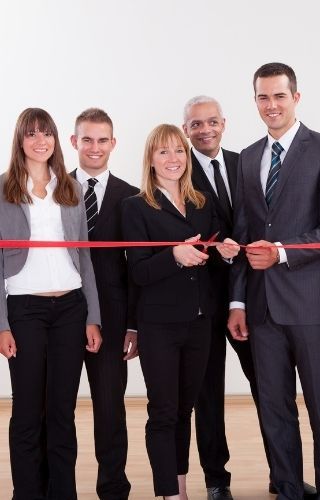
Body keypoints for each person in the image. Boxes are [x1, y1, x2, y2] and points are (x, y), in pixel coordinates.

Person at [227, 62, 320, 500]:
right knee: (274, 409)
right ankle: (287, 490)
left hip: (311, 305)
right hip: (262, 309)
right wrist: (238, 303)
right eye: (263, 97)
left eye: (279, 96)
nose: (271, 105)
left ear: (296, 98)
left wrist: (281, 252)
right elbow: (244, 233)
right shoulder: (247, 158)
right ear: (255, 101)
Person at [121, 124, 239, 500]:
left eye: (178, 151)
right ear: (151, 159)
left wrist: (225, 251)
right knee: (164, 411)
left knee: (185, 409)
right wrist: (173, 255)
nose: (173, 159)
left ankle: (181, 488)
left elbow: (213, 253)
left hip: (200, 323)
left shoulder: (202, 203)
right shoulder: (136, 207)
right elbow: (139, 272)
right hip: (159, 325)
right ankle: (169, 494)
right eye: (163, 152)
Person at [0, 108, 102, 500]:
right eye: (31, 133)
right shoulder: (4, 189)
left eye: (46, 133)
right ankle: (27, 493)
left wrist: (92, 316)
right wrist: (2, 325)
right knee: (28, 411)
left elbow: (84, 257)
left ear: (56, 140)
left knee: (62, 412)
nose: (40, 140)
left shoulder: (71, 188)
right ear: (20, 140)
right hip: (24, 311)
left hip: (71, 310)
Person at [183, 95, 279, 500]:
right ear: (186, 130)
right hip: (202, 299)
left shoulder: (247, 163)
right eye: (196, 124)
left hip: (249, 296)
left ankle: (283, 473)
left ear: (224, 123)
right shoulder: (177, 169)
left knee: (269, 385)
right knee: (208, 393)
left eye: (211, 122)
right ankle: (216, 480)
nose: (205, 130)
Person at [70, 108, 140, 500]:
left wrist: (133, 324)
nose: (94, 148)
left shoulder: (131, 196)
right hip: (61, 313)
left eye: (102, 140)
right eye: (87, 139)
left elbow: (136, 268)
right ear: (74, 142)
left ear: (113, 143)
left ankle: (113, 488)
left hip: (113, 320)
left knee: (110, 408)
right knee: (55, 406)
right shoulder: (53, 190)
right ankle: (54, 487)